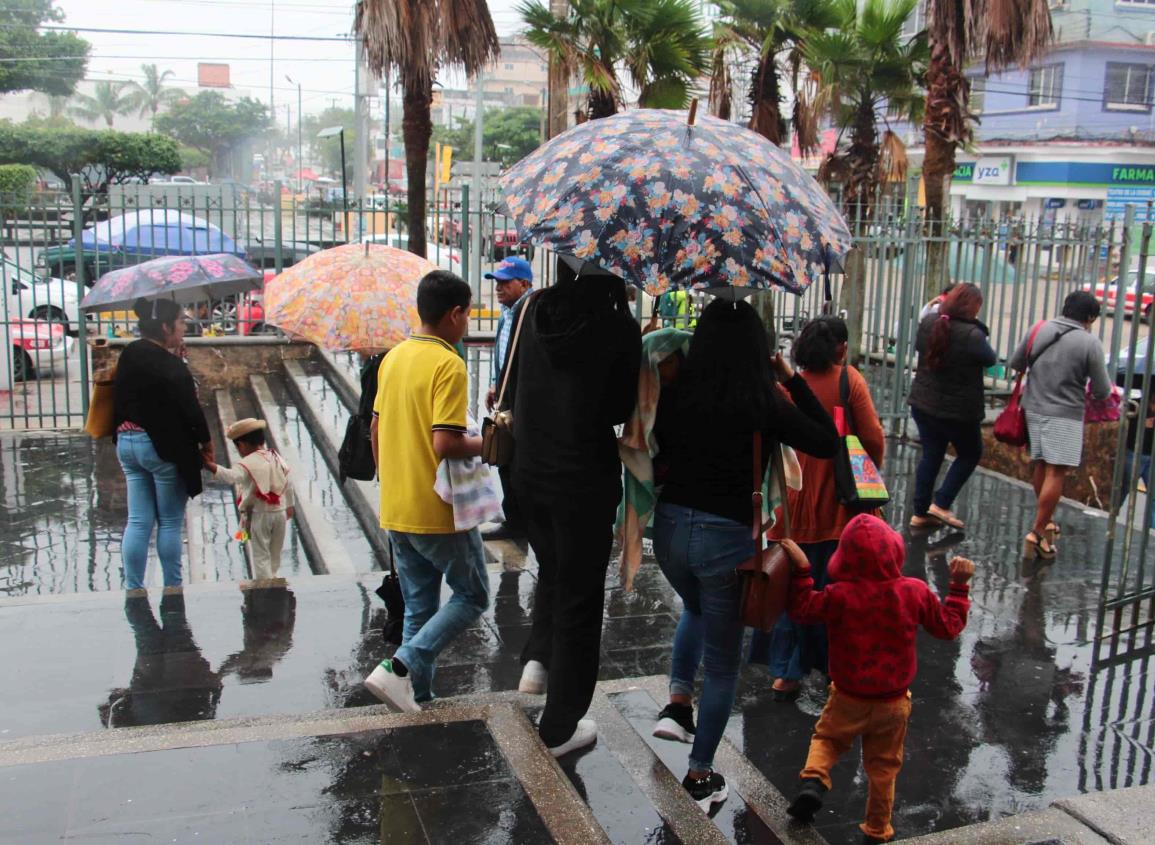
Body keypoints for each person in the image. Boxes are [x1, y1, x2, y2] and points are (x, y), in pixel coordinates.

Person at [649, 299, 839, 811]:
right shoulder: (766, 400)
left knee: (696, 606)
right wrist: (791, 378)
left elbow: (654, 441)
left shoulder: (674, 389)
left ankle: (676, 702)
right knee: (725, 663)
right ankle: (700, 773)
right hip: (724, 541)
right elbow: (826, 441)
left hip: (667, 532)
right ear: (761, 347)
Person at [506, 261, 641, 756]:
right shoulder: (618, 327)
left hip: (528, 470)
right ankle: (561, 726)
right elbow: (617, 412)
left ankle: (537, 660)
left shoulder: (535, 308)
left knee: (554, 570)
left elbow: (514, 381)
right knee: (582, 600)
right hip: (582, 479)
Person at [784, 514, 973, 844]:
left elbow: (802, 608)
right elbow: (949, 626)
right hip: (893, 701)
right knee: (884, 767)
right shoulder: (913, 592)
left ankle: (814, 780)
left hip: (848, 695)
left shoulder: (839, 594)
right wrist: (958, 586)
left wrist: (802, 571)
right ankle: (877, 829)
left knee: (827, 740)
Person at [363, 271, 490, 711]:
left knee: (419, 606)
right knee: (473, 595)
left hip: (396, 505)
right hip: (438, 510)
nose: (468, 322)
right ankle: (400, 666)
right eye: (468, 314)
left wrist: (391, 476)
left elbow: (375, 428)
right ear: (455, 313)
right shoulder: (448, 363)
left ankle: (417, 694)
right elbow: (446, 442)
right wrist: (493, 445)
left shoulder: (394, 357)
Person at [761, 316, 885, 701]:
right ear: (842, 349)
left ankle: (786, 672)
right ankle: (837, 669)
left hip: (790, 503)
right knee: (834, 589)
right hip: (837, 505)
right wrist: (866, 475)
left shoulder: (786, 385)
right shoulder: (849, 380)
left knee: (788, 588)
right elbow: (873, 439)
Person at [114, 297, 213, 590]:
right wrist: (206, 443)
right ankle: (172, 588)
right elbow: (190, 408)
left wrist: (177, 361)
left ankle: (133, 587)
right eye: (181, 322)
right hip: (161, 448)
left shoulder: (130, 353)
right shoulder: (169, 363)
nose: (184, 327)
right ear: (166, 326)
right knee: (170, 521)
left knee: (139, 521)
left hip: (127, 444)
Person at [1009, 291, 1112, 559]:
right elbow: (1102, 390)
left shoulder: (1038, 329)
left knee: (1041, 464)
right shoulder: (1089, 343)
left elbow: (1015, 363)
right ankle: (1038, 531)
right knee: (1057, 472)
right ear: (1089, 317)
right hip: (1065, 414)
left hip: (1033, 409)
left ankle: (1046, 521)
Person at [907, 283, 998, 530]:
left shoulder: (930, 323)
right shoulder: (972, 335)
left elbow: (919, 348)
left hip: (924, 404)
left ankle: (920, 511)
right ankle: (942, 502)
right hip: (957, 412)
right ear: (972, 308)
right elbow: (991, 359)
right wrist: (977, 326)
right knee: (970, 454)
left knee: (932, 454)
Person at [204, 419, 295, 581]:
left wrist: (210, 465)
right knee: (275, 552)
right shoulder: (276, 457)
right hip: (280, 513)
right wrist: (290, 506)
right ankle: (274, 579)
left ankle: (265, 589)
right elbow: (288, 483)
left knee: (261, 555)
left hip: (260, 515)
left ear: (242, 445)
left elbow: (230, 477)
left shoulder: (246, 463)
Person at [482, 256, 534, 541]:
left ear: (524, 283)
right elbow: (502, 353)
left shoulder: (530, 313)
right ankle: (514, 519)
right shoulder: (506, 313)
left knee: (517, 463)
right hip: (504, 396)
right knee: (503, 458)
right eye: (497, 283)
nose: (499, 288)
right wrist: (495, 384)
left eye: (505, 283)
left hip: (521, 399)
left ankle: (523, 520)